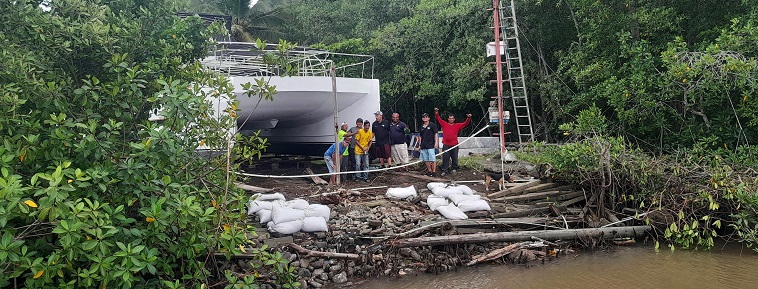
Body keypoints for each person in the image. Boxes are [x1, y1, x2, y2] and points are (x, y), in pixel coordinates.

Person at [435, 108, 471, 176]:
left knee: (454, 157)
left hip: (454, 145)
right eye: (450, 118)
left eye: (452, 118)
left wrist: (468, 118)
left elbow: (465, 124)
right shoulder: (444, 124)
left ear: (454, 119)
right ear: (448, 119)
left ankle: (454, 168)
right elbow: (438, 119)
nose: (451, 119)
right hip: (446, 144)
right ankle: (444, 170)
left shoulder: (457, 125)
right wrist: (436, 112)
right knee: (445, 158)